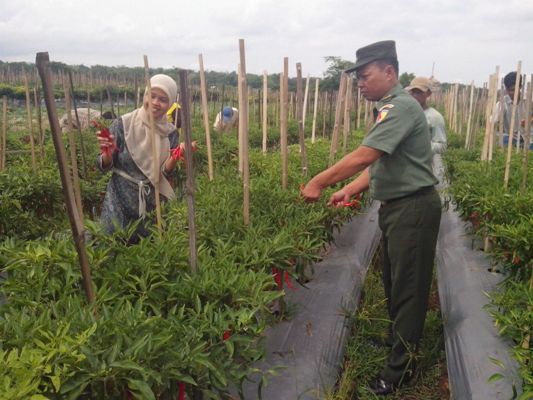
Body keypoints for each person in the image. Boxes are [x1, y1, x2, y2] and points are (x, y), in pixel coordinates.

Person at [301, 40, 442, 395]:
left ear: (389, 72)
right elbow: (382, 162)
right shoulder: (389, 108)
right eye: (358, 78)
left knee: (409, 289)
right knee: (395, 284)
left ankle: (401, 370)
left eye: (365, 76)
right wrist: (351, 189)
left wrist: (319, 181)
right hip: (398, 208)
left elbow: (365, 155)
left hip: (413, 209)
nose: (360, 83)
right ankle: (398, 344)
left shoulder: (400, 107)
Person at [96, 74, 188, 243]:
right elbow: (103, 166)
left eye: (162, 99)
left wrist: (175, 158)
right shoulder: (123, 124)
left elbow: (164, 173)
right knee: (113, 247)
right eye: (151, 96)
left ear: (170, 104)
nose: (155, 102)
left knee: (147, 253)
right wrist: (107, 155)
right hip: (119, 201)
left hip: (151, 204)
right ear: (144, 95)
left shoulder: (171, 133)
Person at [406, 76, 447, 155]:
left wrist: (419, 145)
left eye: (419, 92)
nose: (415, 95)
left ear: (428, 93)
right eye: (412, 92)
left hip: (423, 164)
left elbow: (442, 146)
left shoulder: (435, 117)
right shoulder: (404, 113)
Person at [493, 71, 532, 148]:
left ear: (520, 87)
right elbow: (492, 121)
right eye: (509, 90)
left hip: (530, 138)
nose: (511, 93)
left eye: (514, 89)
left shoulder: (529, 99)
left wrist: (530, 120)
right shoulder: (502, 103)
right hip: (512, 138)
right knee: (504, 141)